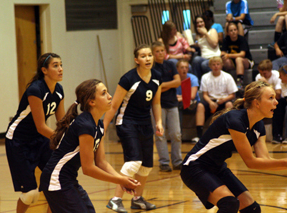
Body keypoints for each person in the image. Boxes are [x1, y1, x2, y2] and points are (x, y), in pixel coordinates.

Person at [180, 81, 287, 213]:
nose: (276, 102)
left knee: (253, 209)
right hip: (195, 167)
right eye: (270, 98)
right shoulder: (235, 120)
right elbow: (250, 162)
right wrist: (286, 162)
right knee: (229, 203)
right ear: (256, 103)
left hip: (217, 168)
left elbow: (264, 160)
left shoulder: (258, 125)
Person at [39, 79, 140, 213]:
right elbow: (88, 168)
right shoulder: (85, 125)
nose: (110, 96)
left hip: (67, 180)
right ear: (91, 102)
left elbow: (101, 162)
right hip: (56, 180)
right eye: (104, 93)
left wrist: (121, 180)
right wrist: (120, 179)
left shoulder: (98, 125)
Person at [103, 44, 164, 212]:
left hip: (145, 124)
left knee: (146, 165)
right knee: (133, 162)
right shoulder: (128, 79)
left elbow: (156, 102)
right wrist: (103, 127)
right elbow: (114, 105)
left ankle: (137, 198)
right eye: (143, 56)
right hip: (127, 122)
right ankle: (115, 199)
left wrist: (158, 122)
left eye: (150, 55)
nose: (148, 58)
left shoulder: (157, 77)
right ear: (136, 60)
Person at [5, 53, 65, 213]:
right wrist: (64, 142)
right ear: (44, 70)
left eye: (61, 65)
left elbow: (62, 124)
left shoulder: (59, 90)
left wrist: (72, 136)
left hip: (39, 139)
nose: (60, 69)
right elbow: (41, 126)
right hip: (18, 140)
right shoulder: (35, 90)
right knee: (31, 194)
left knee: (56, 184)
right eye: (55, 66)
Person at [151, 41, 183, 172]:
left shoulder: (170, 64)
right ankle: (164, 162)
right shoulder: (151, 68)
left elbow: (178, 82)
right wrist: (168, 85)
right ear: (153, 53)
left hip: (172, 104)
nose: (160, 53)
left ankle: (177, 161)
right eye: (157, 51)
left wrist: (162, 85)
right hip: (157, 106)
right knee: (160, 135)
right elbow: (153, 88)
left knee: (176, 133)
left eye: (162, 50)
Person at [193, 56, 237, 143]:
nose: (216, 66)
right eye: (213, 64)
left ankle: (230, 134)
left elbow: (232, 95)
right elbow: (205, 94)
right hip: (211, 100)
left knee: (229, 105)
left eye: (218, 64)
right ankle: (199, 135)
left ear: (221, 65)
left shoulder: (227, 76)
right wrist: (210, 102)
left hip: (224, 100)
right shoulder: (205, 77)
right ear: (210, 66)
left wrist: (223, 100)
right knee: (200, 105)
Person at [255, 59, 286, 143]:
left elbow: (278, 94)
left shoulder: (276, 76)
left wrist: (267, 84)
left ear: (270, 71)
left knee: (277, 107)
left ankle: (277, 136)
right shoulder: (258, 76)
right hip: (265, 99)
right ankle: (254, 136)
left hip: (278, 99)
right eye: (261, 73)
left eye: (264, 73)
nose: (262, 75)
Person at [221, 22, 254, 92]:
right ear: (228, 32)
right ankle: (227, 83)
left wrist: (228, 55)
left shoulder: (242, 39)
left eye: (235, 30)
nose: (233, 32)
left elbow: (242, 54)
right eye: (231, 30)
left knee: (238, 59)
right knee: (224, 61)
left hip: (246, 61)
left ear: (237, 31)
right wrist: (224, 56)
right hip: (233, 62)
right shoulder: (226, 40)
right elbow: (223, 53)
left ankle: (239, 83)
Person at [191, 14, 221, 82]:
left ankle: (212, 82)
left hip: (214, 56)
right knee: (196, 60)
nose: (199, 24)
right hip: (204, 57)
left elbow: (214, 44)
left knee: (204, 64)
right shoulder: (198, 36)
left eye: (201, 21)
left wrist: (206, 33)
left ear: (205, 22)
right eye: (197, 23)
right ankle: (197, 83)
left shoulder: (212, 31)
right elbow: (199, 44)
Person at [176, 59, 201, 137]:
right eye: (182, 67)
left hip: (192, 104)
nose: (184, 69)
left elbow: (192, 96)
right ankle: (177, 133)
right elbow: (172, 95)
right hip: (179, 103)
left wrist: (181, 97)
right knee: (177, 105)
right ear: (177, 69)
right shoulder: (174, 79)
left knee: (178, 104)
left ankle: (179, 133)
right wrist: (183, 97)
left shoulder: (193, 78)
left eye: (186, 67)